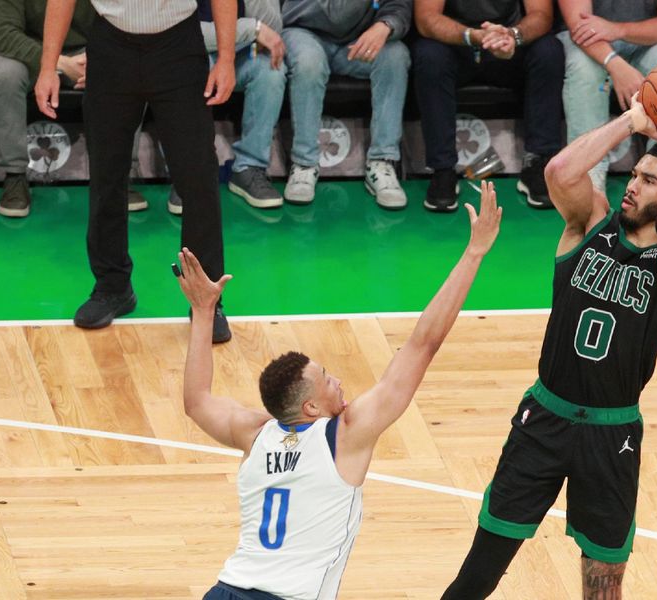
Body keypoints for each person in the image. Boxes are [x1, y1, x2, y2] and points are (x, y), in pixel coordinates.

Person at [441, 92, 657, 599]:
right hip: (544, 419)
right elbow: (559, 174)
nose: (632, 185)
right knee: (476, 576)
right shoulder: (590, 223)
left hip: (612, 436)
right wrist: (630, 121)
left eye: (648, 180)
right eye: (634, 174)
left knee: (603, 587)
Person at [175, 181, 501, 599]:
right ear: (310, 406)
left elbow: (196, 401)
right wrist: (474, 253)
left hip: (226, 590)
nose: (339, 381)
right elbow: (423, 344)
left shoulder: (255, 435)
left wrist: (203, 314)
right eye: (328, 379)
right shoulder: (343, 436)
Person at [34, 0, 236, 343]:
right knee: (106, 174)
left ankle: (206, 301)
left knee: (197, 177)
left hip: (178, 46)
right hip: (111, 46)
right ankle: (111, 287)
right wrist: (47, 66)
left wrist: (227, 59)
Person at [414, 0, 564, 211]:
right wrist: (471, 36)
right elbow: (426, 18)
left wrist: (513, 36)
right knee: (428, 55)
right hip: (457, 44)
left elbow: (541, 14)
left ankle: (539, 163)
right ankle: (442, 169)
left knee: (549, 50)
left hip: (508, 45)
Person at [282, 0, 412, 209]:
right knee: (309, 63)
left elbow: (399, 6)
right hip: (303, 31)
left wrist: (386, 25)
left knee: (395, 55)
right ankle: (304, 163)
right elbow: (334, 14)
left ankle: (382, 161)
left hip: (356, 41)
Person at [558, 0, 657, 194]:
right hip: (591, 40)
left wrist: (617, 29)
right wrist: (614, 64)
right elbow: (579, 25)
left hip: (649, 40)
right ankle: (588, 178)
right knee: (584, 70)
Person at [169, 0, 286, 212]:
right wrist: (252, 28)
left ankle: (249, 167)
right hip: (191, 52)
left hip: (240, 52)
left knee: (271, 72)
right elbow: (178, 33)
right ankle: (189, 173)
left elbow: (273, 30)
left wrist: (255, 28)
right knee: (183, 70)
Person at [0, 0, 93, 218]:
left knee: (122, 68)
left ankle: (121, 176)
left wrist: (99, 56)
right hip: (28, 49)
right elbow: (5, 32)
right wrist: (57, 63)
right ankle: (14, 176)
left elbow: (116, 22)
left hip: (88, 49)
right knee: (7, 76)